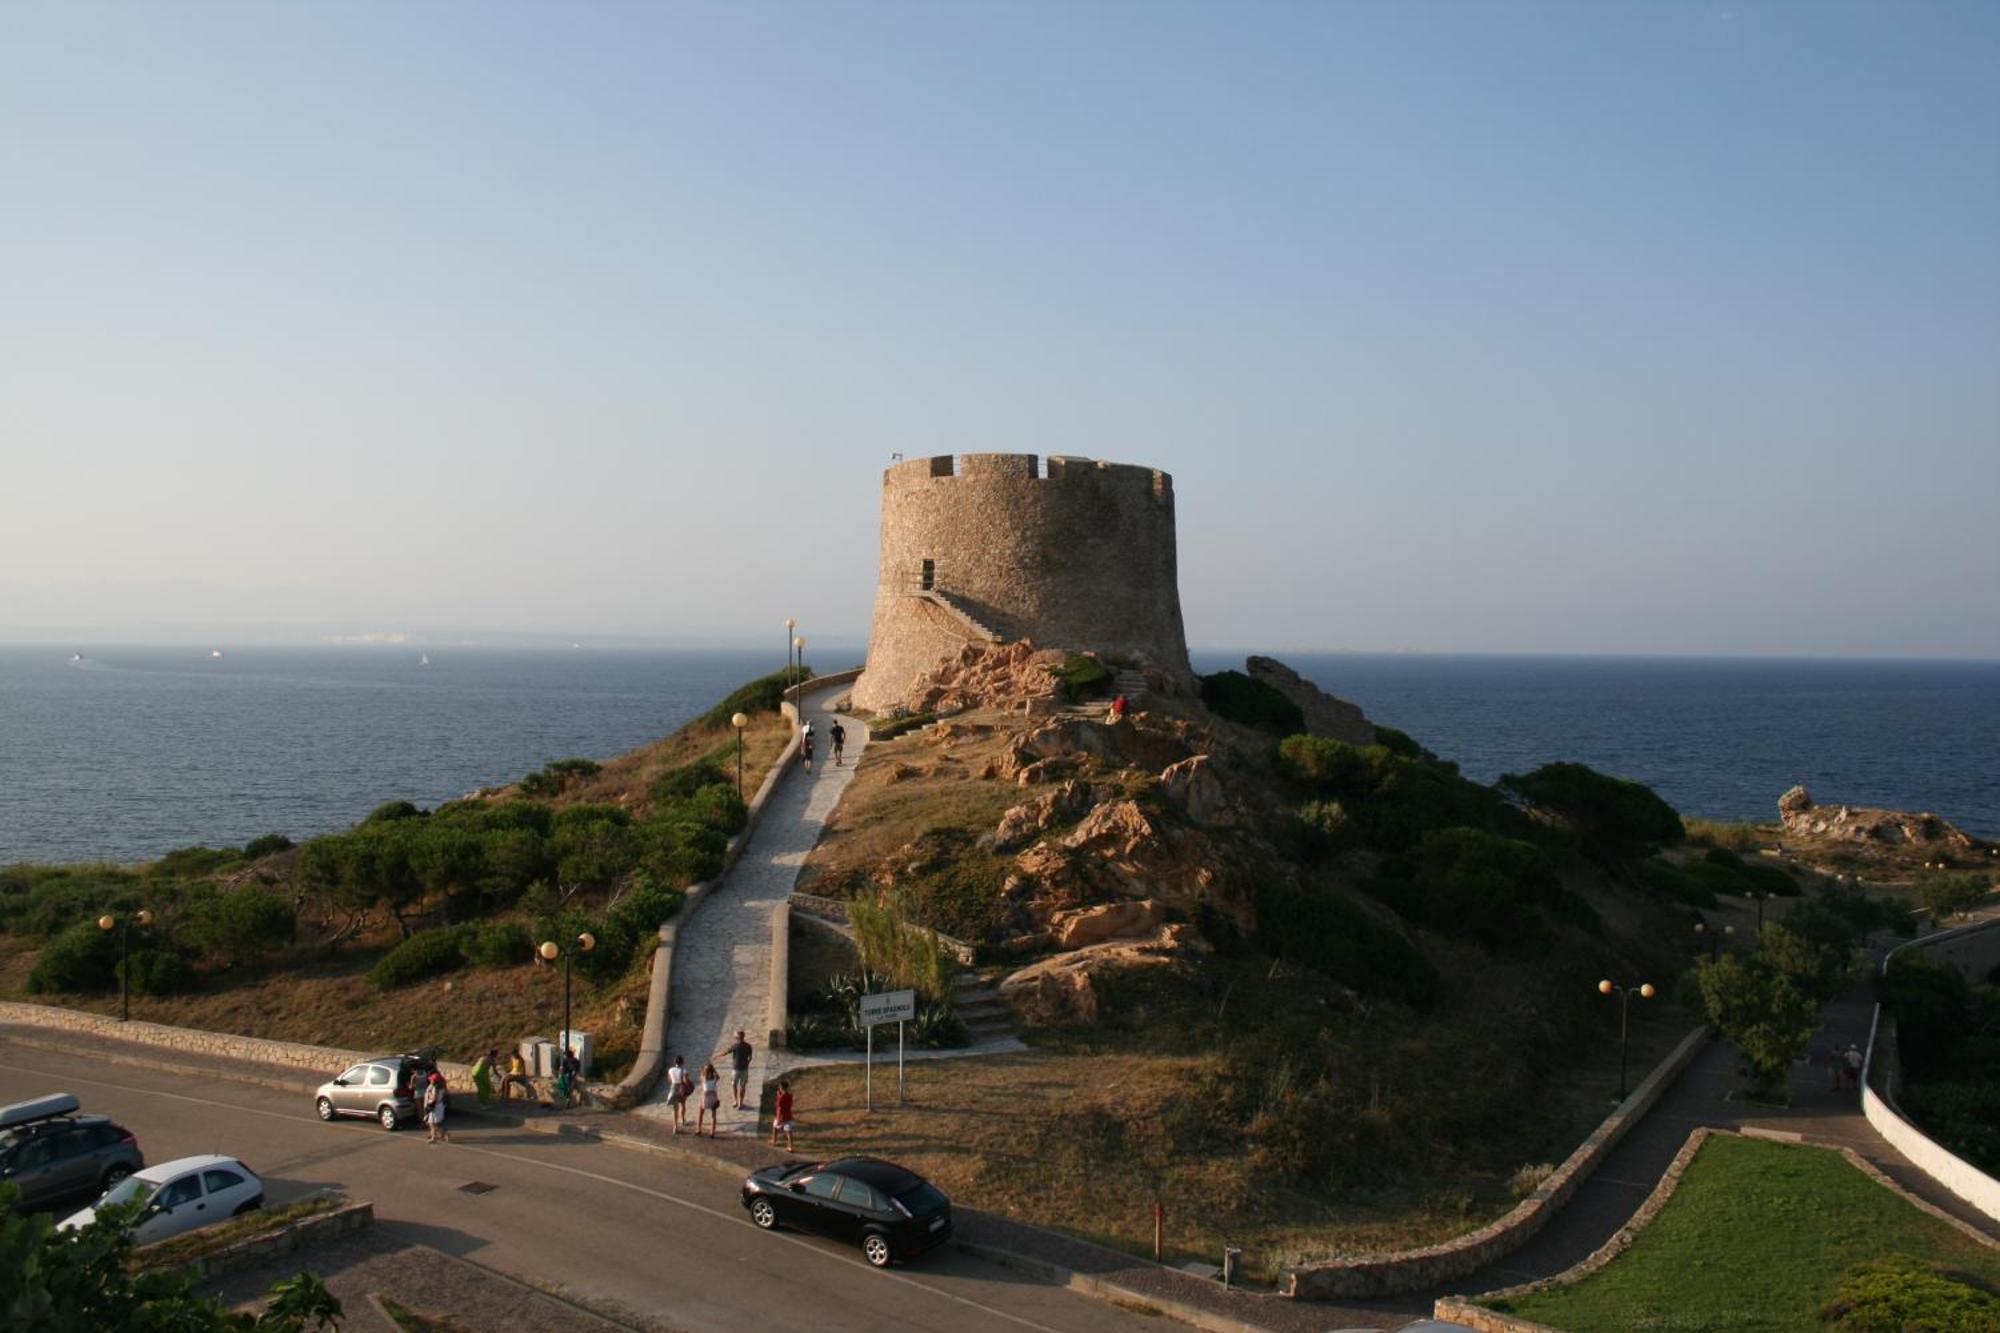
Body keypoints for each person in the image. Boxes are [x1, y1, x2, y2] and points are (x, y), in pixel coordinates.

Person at [716, 1030, 754, 1110]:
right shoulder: (748, 1046)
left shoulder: (735, 1046)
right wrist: (747, 1063)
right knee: (742, 1087)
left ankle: (735, 1101)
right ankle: (741, 1103)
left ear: (737, 1038)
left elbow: (725, 1053)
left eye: (736, 1037)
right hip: (744, 1069)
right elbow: (750, 1057)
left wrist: (716, 1055)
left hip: (735, 1069)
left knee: (734, 1085)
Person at [696, 1062, 722, 1136]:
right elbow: (718, 1076)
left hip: (704, 1098)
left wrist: (703, 1068)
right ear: (712, 1071)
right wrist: (714, 1070)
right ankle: (712, 1132)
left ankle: (699, 1129)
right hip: (713, 1097)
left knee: (700, 1114)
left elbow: (701, 1072)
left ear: (705, 1071)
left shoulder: (703, 1078)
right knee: (713, 1116)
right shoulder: (714, 1079)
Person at [666, 1053, 690, 1133]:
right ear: (682, 1062)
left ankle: (675, 1127)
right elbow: (685, 1081)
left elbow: (669, 1080)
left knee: (675, 1108)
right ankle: (683, 1120)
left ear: (675, 1062)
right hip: (681, 1088)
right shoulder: (684, 1071)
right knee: (683, 1105)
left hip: (673, 1088)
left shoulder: (670, 1070)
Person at [423, 1072, 450, 1144]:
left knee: (432, 1123)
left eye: (432, 1079)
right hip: (438, 1106)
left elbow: (434, 1098)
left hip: (434, 1107)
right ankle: (442, 1134)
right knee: (434, 1123)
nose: (430, 1080)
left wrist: (429, 1094)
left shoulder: (435, 1088)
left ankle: (434, 1137)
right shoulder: (440, 1087)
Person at [771, 1079, 795, 1151]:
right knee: (789, 1132)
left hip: (781, 1116)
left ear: (781, 1088)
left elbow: (779, 1106)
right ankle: (790, 1147)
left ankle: (774, 1141)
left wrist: (778, 1119)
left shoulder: (781, 1097)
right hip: (788, 1115)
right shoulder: (790, 1096)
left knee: (774, 1127)